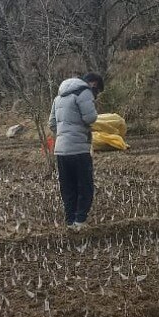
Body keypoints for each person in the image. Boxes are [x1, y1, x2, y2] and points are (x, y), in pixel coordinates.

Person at [48, 72, 104, 230]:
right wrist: (78, 131)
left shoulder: (59, 97)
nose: (96, 96)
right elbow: (90, 118)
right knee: (85, 186)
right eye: (97, 91)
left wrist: (65, 132)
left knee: (68, 187)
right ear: (93, 84)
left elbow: (52, 124)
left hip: (60, 150)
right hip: (79, 149)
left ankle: (70, 222)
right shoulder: (84, 91)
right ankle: (80, 221)